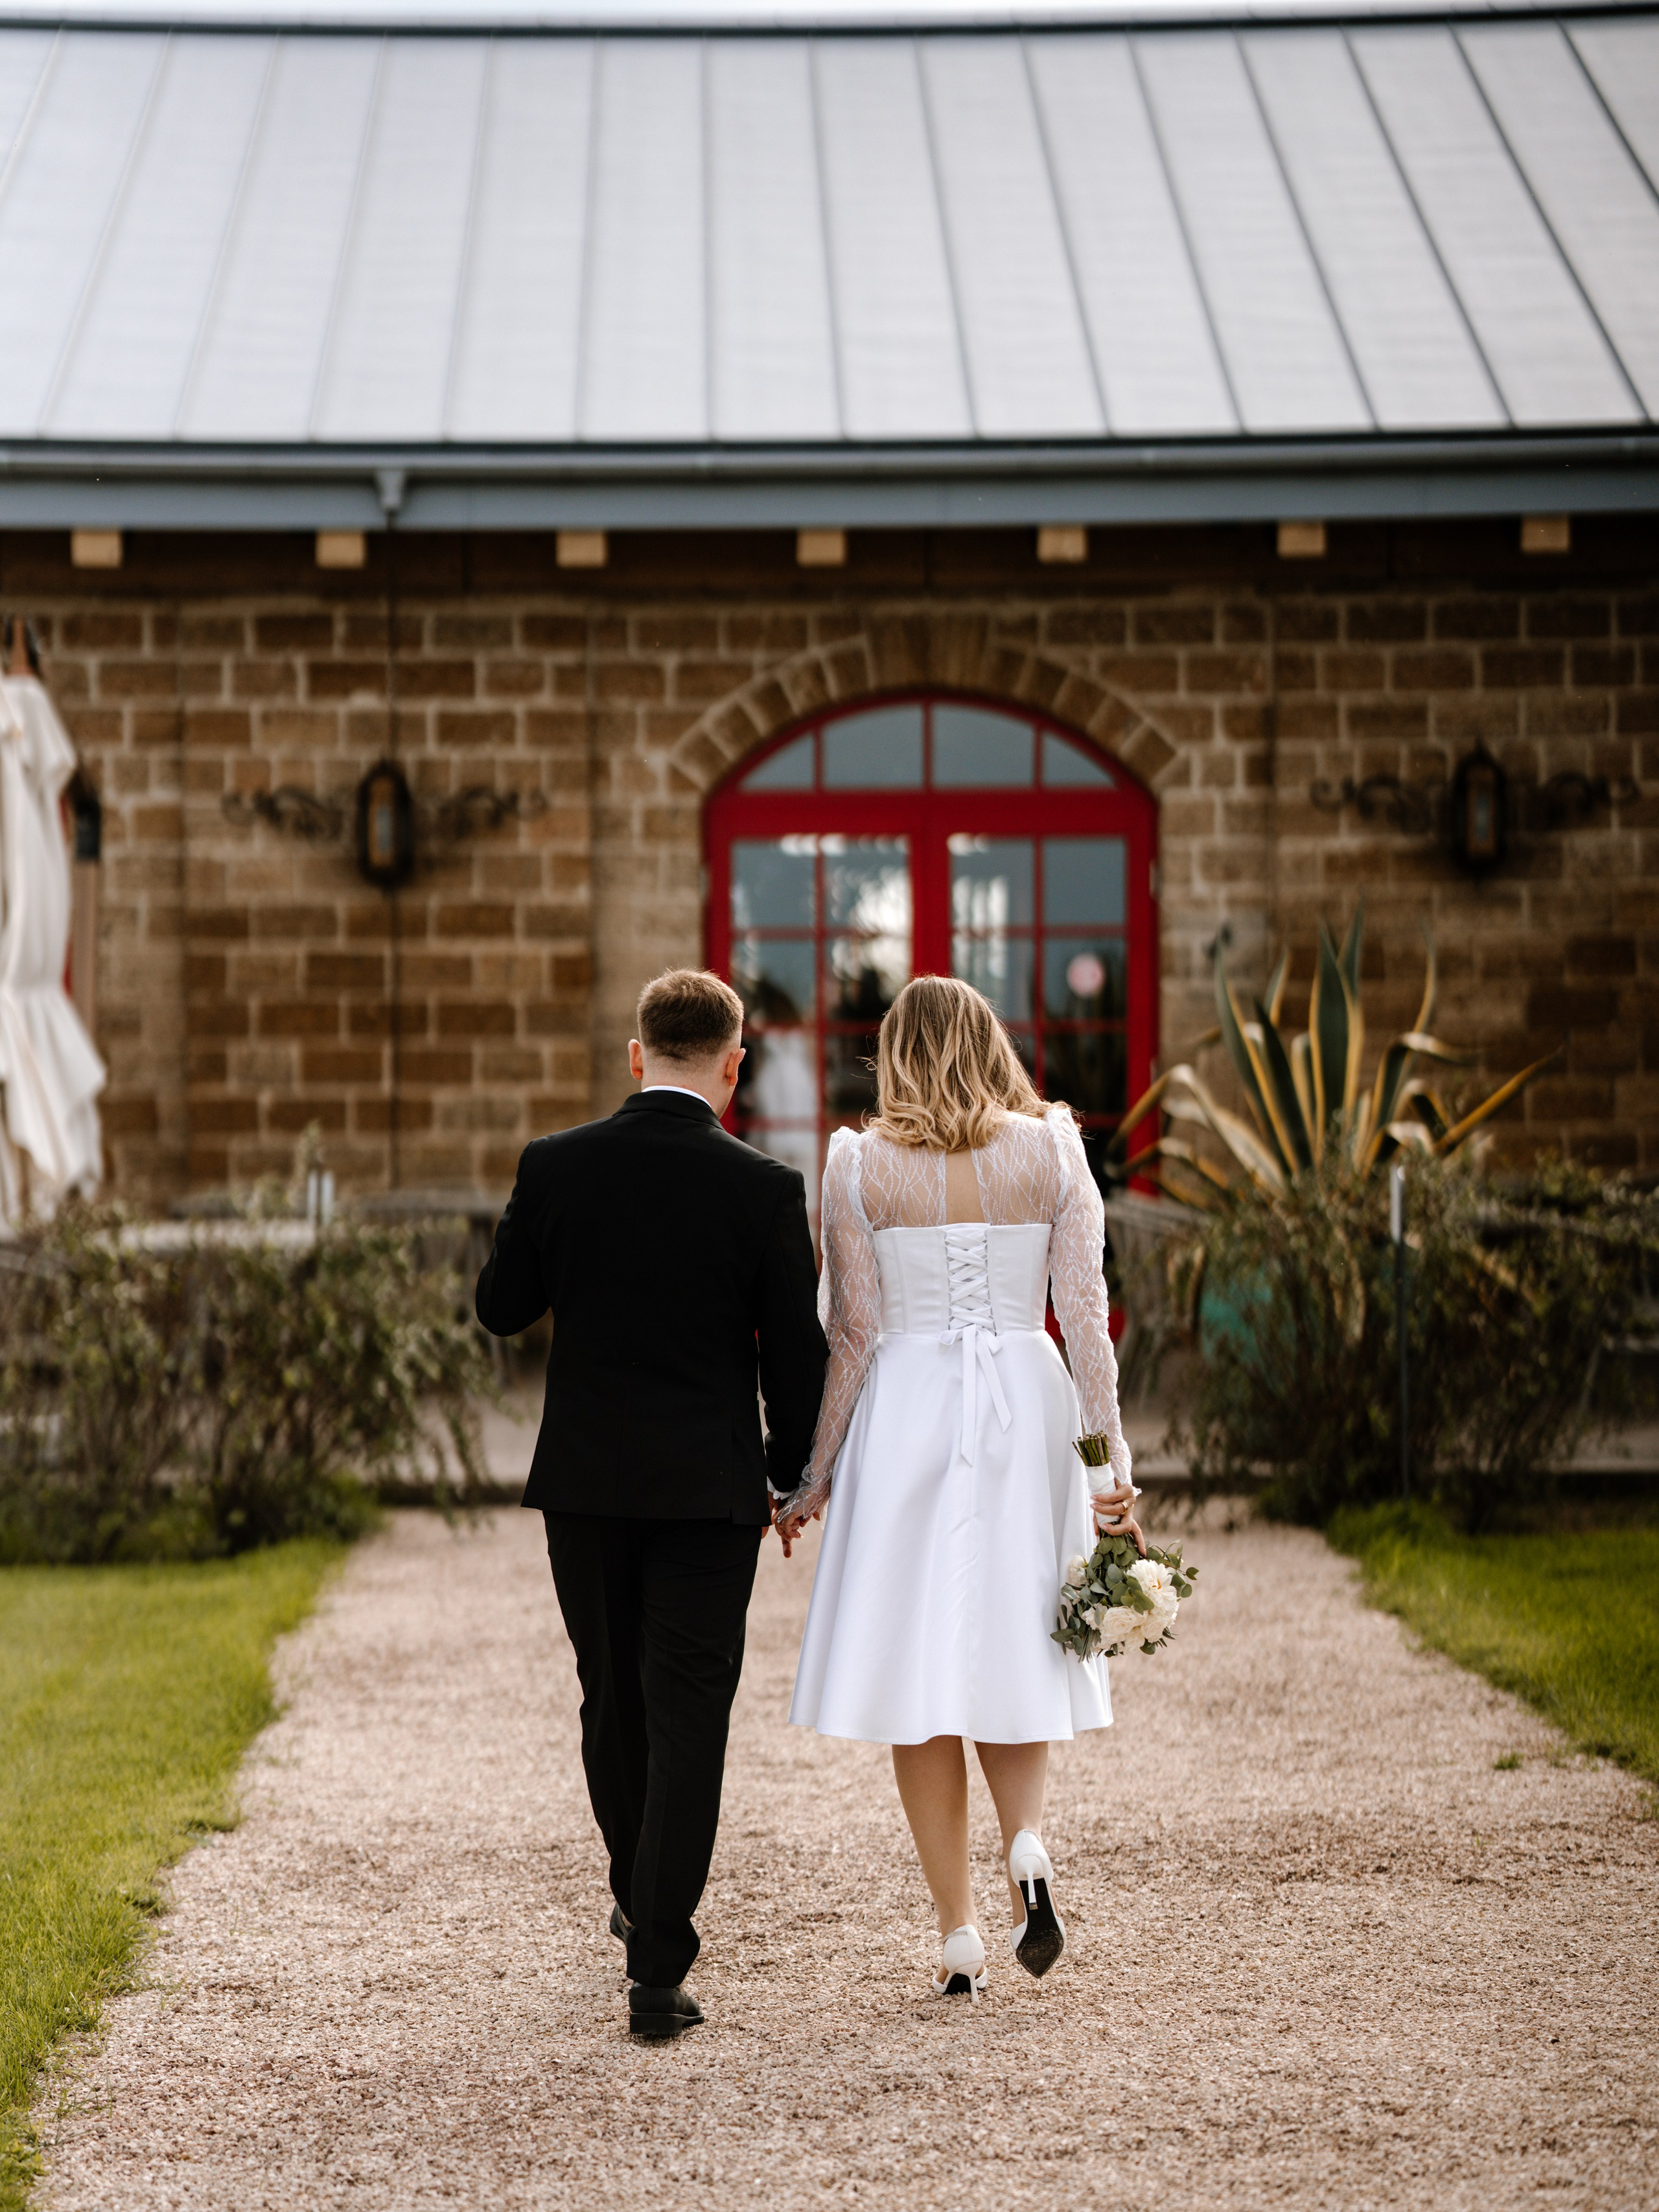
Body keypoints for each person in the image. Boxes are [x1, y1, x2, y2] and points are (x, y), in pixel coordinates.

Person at [774, 975, 1141, 2002]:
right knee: (1020, 1639)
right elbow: (1085, 1317)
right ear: (993, 1047)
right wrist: (1110, 1466)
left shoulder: (858, 1165)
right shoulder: (1054, 1149)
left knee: (917, 1670)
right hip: (1027, 1403)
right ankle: (1026, 1838)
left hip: (910, 1410)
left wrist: (815, 1476)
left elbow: (850, 1336)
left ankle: (959, 1935)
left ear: (894, 1055)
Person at [476, 968, 827, 2040]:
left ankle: (639, 1895)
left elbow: (500, 1307)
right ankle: (656, 1956)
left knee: (609, 1697)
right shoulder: (762, 1188)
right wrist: (787, 1471)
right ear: (733, 1065)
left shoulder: (555, 1165)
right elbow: (799, 1358)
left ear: (636, 1055)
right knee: (688, 1715)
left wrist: (542, 1224)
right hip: (708, 1491)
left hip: (584, 1484)